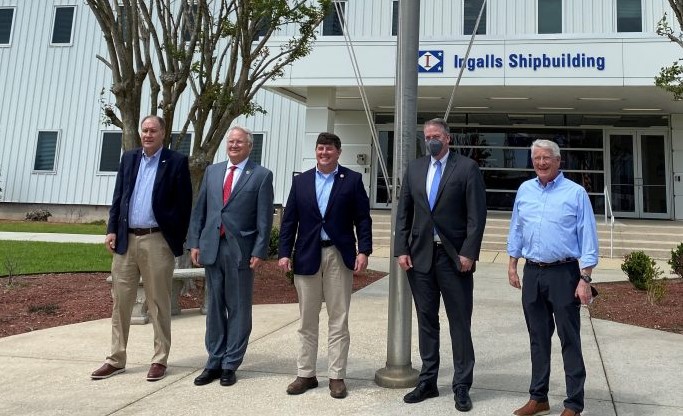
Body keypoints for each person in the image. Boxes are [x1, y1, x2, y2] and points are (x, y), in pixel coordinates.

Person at [394, 118, 487, 412]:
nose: (431, 140)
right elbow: (404, 212)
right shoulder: (415, 168)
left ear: (448, 138)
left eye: (435, 136)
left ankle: (462, 385)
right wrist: (401, 249)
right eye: (427, 136)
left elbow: (476, 216)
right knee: (427, 321)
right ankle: (428, 382)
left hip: (454, 259)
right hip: (420, 257)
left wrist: (469, 253)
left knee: (459, 323)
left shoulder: (467, 168)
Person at [91, 115, 192, 382]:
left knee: (158, 302)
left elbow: (184, 206)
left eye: (153, 131)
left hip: (157, 241)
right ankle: (116, 359)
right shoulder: (129, 158)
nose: (147, 134)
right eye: (144, 130)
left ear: (163, 133)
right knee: (120, 303)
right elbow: (118, 197)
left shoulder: (176, 162)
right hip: (126, 240)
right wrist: (112, 229)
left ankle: (159, 359)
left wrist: (173, 239)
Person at [507, 139, 599, 416]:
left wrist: (585, 279)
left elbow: (588, 236)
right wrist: (512, 264)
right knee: (537, 337)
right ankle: (539, 397)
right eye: (537, 158)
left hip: (564, 273)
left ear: (558, 161)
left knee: (569, 338)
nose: (541, 162)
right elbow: (517, 229)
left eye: (547, 157)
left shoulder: (576, 193)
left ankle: (574, 403)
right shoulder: (525, 190)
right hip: (532, 272)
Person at [278, 132, 372, 399]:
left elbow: (363, 219)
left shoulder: (352, 180)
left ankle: (336, 376)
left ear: (338, 152)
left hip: (338, 256)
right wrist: (284, 253)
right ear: (316, 151)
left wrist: (364, 250)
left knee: (338, 319)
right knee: (307, 320)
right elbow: (289, 221)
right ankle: (305, 374)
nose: (324, 153)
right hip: (307, 255)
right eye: (320, 148)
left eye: (329, 149)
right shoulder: (301, 182)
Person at [188, 125, 274, 387]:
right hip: (212, 247)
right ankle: (214, 360)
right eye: (231, 141)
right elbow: (200, 210)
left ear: (249, 146)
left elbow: (264, 218)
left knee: (238, 307)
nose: (234, 145)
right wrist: (195, 242)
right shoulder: (213, 172)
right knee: (214, 307)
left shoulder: (261, 175)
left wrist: (259, 250)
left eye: (239, 142)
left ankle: (230, 363)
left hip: (241, 251)